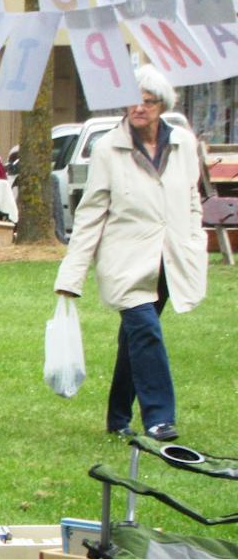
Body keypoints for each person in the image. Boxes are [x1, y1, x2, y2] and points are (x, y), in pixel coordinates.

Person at [55, 66, 206, 442]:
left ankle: (117, 415)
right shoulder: (109, 147)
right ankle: (159, 418)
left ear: (162, 105)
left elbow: (191, 197)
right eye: (132, 101)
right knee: (147, 332)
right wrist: (71, 276)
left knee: (135, 338)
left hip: (170, 258)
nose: (139, 108)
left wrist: (193, 240)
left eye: (148, 101)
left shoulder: (183, 143)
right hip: (124, 260)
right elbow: (91, 213)